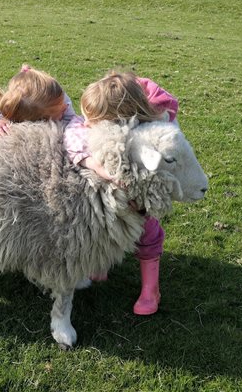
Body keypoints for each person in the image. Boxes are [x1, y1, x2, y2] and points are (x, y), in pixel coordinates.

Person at [63, 70, 179, 315]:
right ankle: (103, 262)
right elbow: (74, 132)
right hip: (113, 195)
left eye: (92, 120)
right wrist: (93, 163)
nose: (85, 123)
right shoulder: (85, 126)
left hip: (142, 194)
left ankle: (151, 289)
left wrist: (144, 197)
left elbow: (165, 165)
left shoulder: (155, 132)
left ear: (117, 121)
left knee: (146, 233)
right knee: (106, 226)